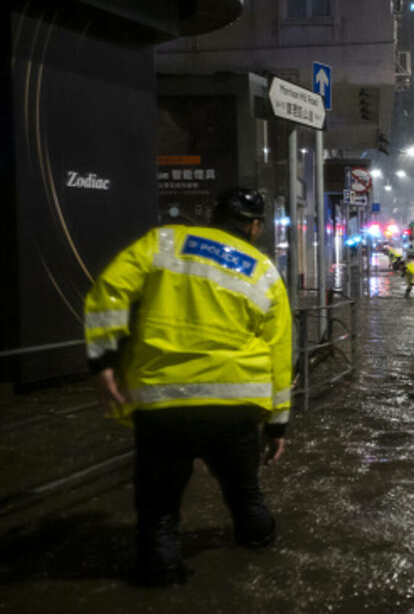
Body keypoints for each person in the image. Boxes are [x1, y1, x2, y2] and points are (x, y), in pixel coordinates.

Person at [83, 187, 292, 587]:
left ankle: (160, 575)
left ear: (214, 217)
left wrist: (104, 363)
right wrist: (278, 425)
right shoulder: (263, 270)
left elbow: (108, 292)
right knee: (246, 495)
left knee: (159, 511)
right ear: (254, 226)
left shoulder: (165, 242)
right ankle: (261, 545)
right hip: (235, 405)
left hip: (163, 402)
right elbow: (280, 353)